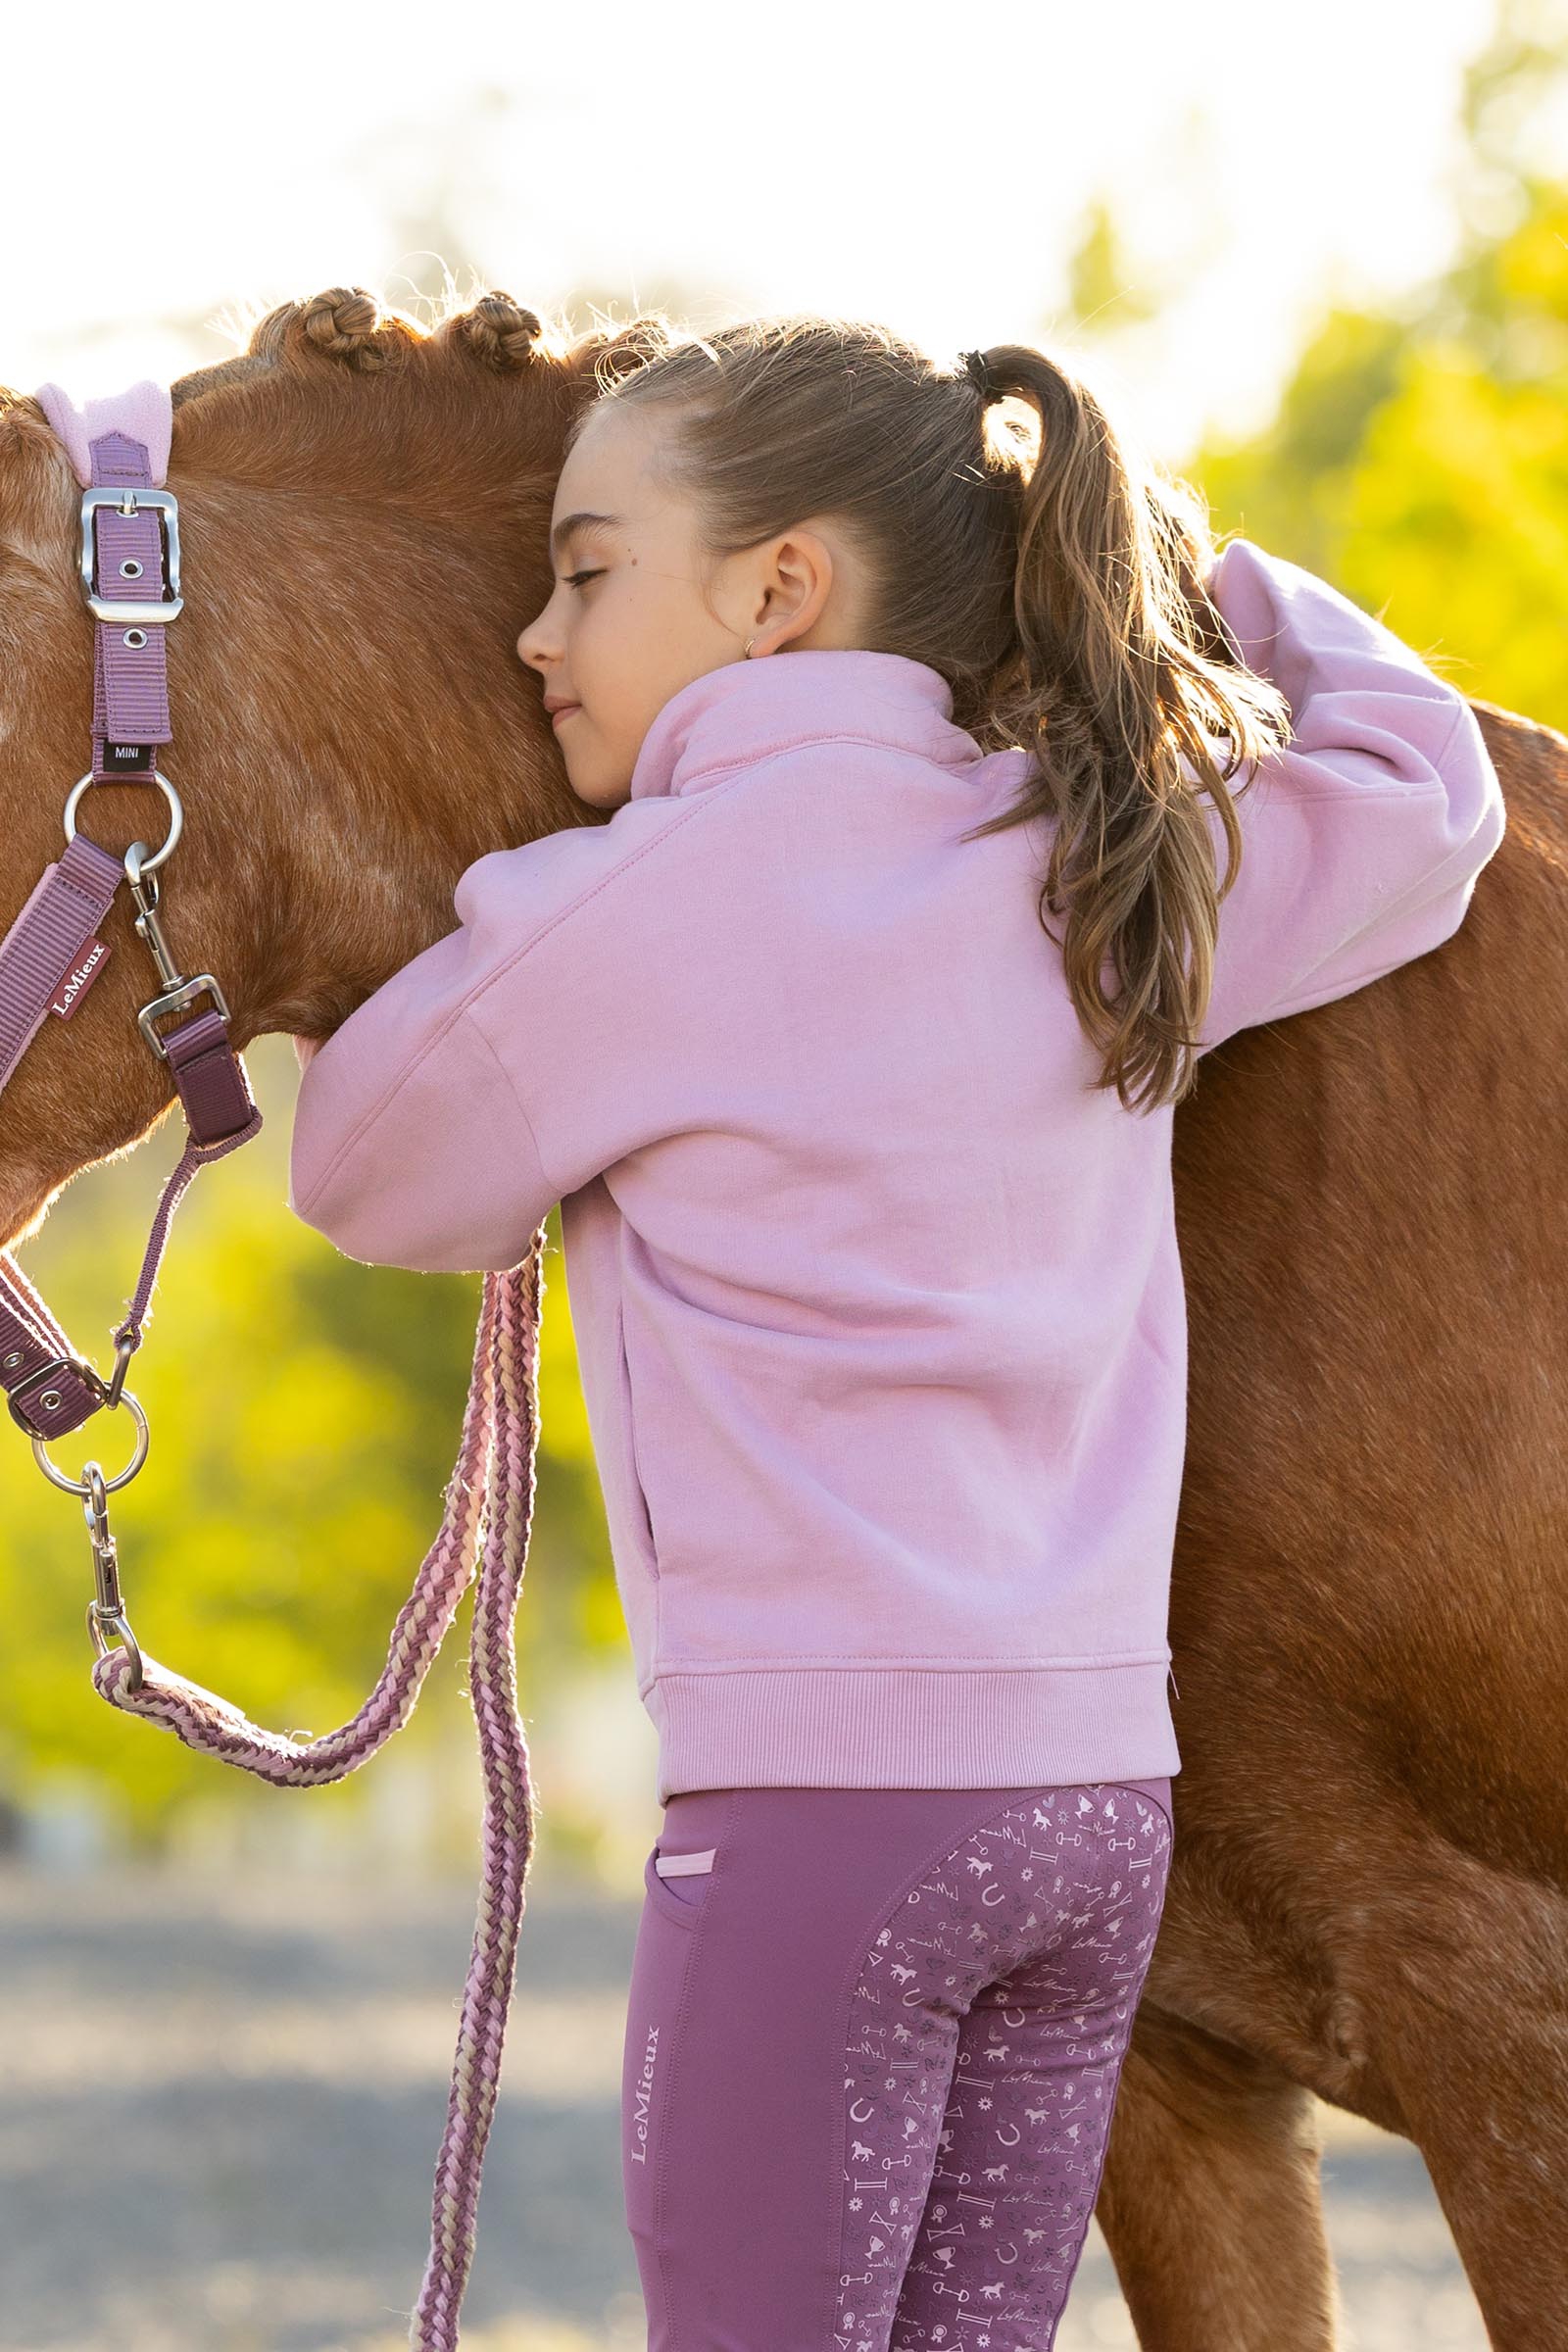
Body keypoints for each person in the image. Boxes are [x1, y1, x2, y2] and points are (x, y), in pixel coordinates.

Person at [288, 314, 1506, 2350]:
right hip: (1090, 1819)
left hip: (817, 1830)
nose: (536, 635)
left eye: (586, 571)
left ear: (776, 591)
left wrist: (518, 925)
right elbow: (1420, 793)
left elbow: (365, 1170)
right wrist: (1211, 586)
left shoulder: (632, 910)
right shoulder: (1108, 864)